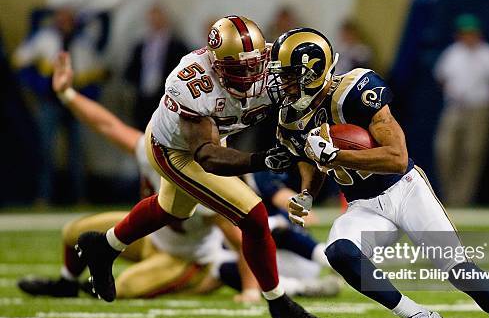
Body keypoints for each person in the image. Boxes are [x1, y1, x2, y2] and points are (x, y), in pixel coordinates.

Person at [267, 27, 489, 318]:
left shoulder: (356, 91)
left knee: (458, 269)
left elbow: (396, 158)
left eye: (290, 75)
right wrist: (306, 193)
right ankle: (420, 317)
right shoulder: (291, 117)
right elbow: (309, 159)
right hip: (363, 205)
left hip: (405, 190)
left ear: (315, 71)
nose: (284, 83)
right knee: (340, 253)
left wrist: (337, 155)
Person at [73, 16, 324, 318]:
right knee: (254, 215)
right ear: (217, 65)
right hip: (176, 148)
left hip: (210, 141)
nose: (250, 77)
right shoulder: (193, 82)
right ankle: (279, 303)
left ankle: (104, 246)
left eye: (255, 66)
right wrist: (258, 160)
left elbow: (311, 82)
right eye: (239, 69)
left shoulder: (276, 64)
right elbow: (207, 156)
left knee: (172, 210)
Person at [18, 52, 339, 301]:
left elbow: (238, 233)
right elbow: (109, 126)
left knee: (128, 287)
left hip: (188, 258)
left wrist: (251, 287)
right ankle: (65, 282)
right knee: (75, 231)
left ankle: (232, 279)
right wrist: (68, 95)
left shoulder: (202, 167)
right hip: (155, 240)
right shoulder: (158, 144)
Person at [12, 7, 109, 205]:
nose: (64, 21)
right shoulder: (44, 39)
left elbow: (96, 70)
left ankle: (80, 196)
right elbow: (21, 60)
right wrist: (37, 84)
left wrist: (88, 92)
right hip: (50, 101)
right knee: (46, 150)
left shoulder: (83, 43)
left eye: (68, 17)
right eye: (61, 17)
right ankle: (43, 196)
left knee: (77, 151)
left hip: (75, 101)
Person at [433, 14, 489, 206]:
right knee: (444, 150)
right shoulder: (452, 53)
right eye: (464, 33)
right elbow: (440, 77)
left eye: (471, 32)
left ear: (478, 33)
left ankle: (461, 201)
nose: (468, 36)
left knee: (472, 155)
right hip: (454, 108)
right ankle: (450, 196)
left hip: (479, 110)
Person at [125, 4, 189, 130]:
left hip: (166, 98)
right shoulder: (141, 45)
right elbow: (131, 70)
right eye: (152, 17)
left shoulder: (177, 45)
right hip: (143, 99)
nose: (155, 21)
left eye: (158, 17)